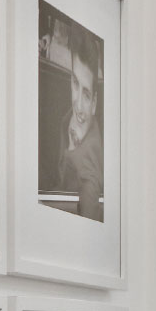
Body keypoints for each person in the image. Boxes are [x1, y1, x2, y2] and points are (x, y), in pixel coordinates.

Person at [55, 53, 104, 220]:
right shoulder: (67, 119)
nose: (78, 104)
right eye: (75, 83)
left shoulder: (89, 158)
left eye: (87, 95)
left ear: (94, 104)